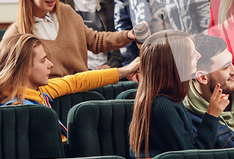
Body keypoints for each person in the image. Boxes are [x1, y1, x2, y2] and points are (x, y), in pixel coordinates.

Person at [0, 33, 139, 141]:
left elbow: (75, 81)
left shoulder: (37, 90)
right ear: (24, 68)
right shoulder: (16, 109)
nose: (50, 64)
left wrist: (125, 71)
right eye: (43, 61)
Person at [3, 0, 135, 78]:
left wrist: (128, 35)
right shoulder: (17, 32)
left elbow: (96, 40)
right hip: (48, 98)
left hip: (82, 92)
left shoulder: (67, 12)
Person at [129, 30, 229, 158]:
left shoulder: (165, 98)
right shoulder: (162, 105)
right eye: (192, 55)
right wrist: (212, 115)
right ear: (175, 65)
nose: (198, 55)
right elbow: (189, 158)